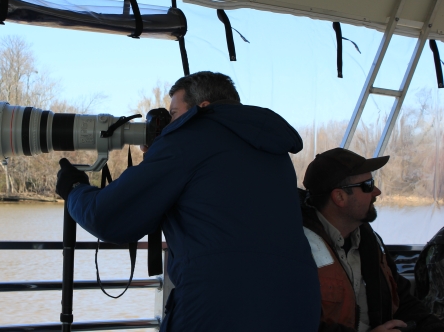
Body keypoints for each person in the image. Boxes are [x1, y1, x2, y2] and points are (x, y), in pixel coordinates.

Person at [56, 71, 321, 331]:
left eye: (173, 114)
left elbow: (109, 217)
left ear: (202, 107)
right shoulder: (271, 147)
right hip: (298, 303)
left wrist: (75, 189)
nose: (169, 126)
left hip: (220, 306)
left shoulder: (190, 138)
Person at [301, 148, 444, 332]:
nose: (377, 191)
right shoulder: (299, 249)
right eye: (368, 185)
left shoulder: (369, 241)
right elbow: (294, 322)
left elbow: (402, 300)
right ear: (340, 197)